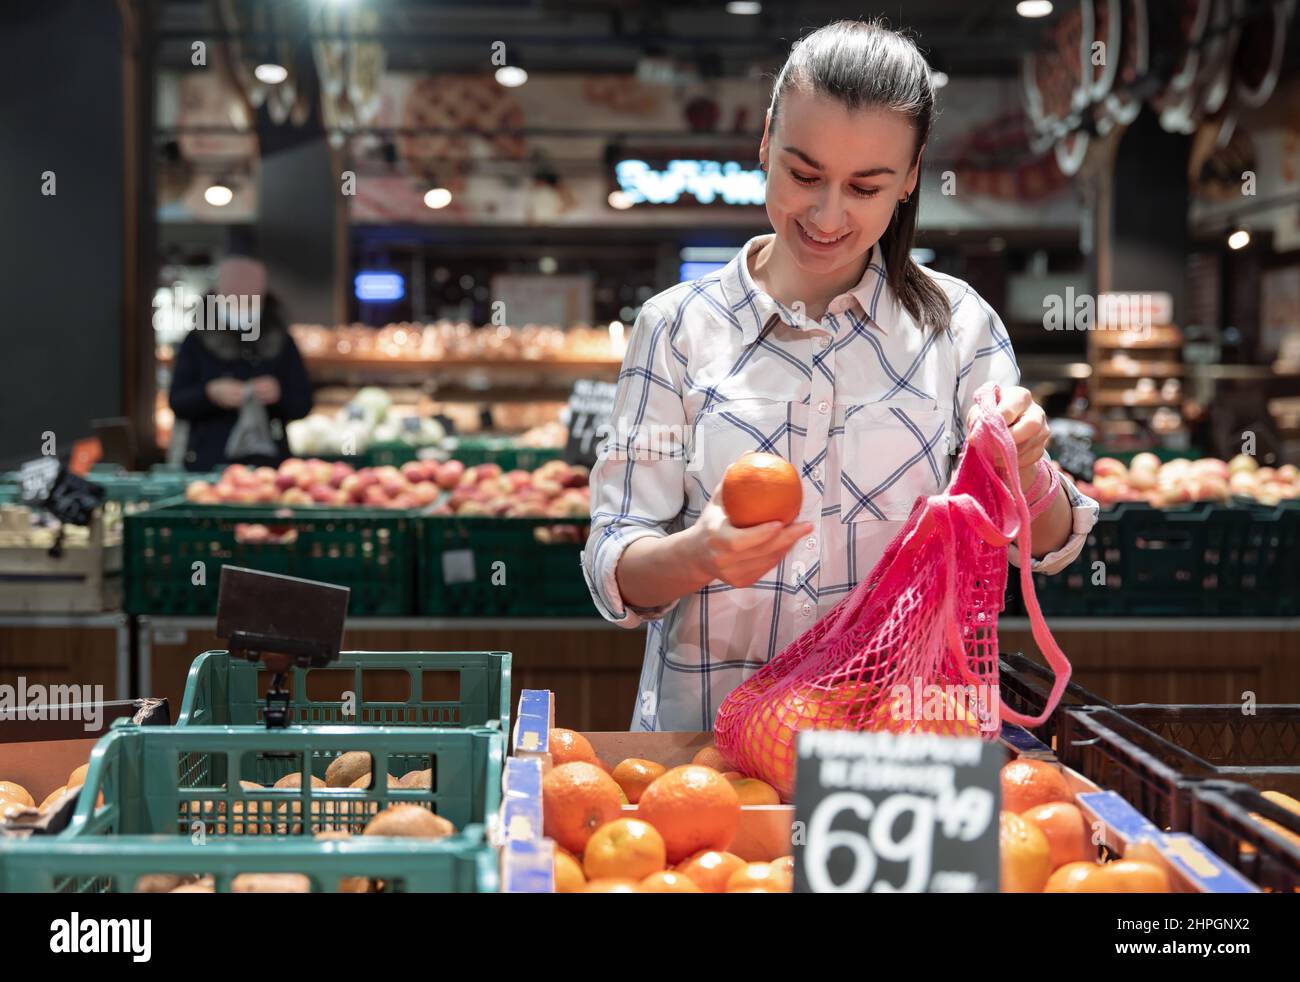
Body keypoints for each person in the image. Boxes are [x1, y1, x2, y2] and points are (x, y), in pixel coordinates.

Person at [581, 20, 1100, 732]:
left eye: (865, 186)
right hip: (707, 765)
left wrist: (1025, 464)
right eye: (803, 174)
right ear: (765, 142)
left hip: (894, 754)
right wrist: (698, 554)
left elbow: (1043, 546)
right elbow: (616, 560)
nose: (828, 214)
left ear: (911, 177)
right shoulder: (676, 327)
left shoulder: (959, 327)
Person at [169, 256, 313, 471]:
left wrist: (278, 394)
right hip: (208, 463)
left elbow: (303, 404)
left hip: (269, 467)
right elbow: (178, 402)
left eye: (249, 296)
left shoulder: (281, 340)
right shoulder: (197, 340)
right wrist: (210, 393)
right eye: (234, 295)